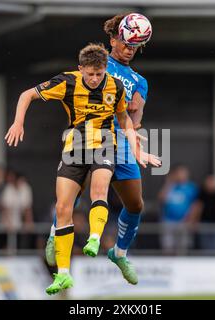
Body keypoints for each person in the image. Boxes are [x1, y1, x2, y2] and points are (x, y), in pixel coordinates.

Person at [4, 43, 160, 295]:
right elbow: (27, 95)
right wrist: (18, 122)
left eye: (100, 74)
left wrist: (137, 150)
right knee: (64, 205)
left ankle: (102, 243)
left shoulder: (119, 85)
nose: (96, 79)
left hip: (106, 144)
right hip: (75, 146)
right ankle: (61, 263)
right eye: (91, 74)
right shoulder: (68, 82)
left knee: (121, 199)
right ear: (81, 70)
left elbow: (126, 120)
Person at [46, 13, 154, 286]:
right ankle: (54, 232)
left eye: (135, 47)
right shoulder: (98, 64)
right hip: (91, 139)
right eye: (126, 43)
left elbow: (134, 118)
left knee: (135, 204)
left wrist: (137, 139)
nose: (130, 50)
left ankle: (119, 253)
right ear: (113, 38)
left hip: (121, 144)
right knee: (78, 192)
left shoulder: (139, 81)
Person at [158, 165, 198, 255]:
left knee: (183, 247)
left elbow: (195, 205)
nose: (181, 175)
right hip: (168, 221)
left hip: (184, 221)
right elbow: (161, 199)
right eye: (178, 173)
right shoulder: (170, 186)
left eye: (183, 173)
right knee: (168, 246)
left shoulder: (191, 187)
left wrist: (192, 219)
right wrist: (168, 183)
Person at [189, 175, 215, 254]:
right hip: (204, 224)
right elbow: (198, 207)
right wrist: (194, 221)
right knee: (205, 248)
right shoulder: (202, 194)